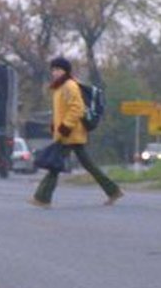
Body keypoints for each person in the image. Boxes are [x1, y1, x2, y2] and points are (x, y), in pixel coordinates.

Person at [30, 57, 123, 208]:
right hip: (67, 133)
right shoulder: (59, 87)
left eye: (58, 69)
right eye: (53, 70)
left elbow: (77, 108)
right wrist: (55, 125)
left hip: (70, 133)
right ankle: (113, 191)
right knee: (88, 165)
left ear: (65, 71)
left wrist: (65, 126)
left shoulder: (69, 85)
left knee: (54, 165)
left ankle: (42, 198)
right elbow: (61, 111)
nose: (55, 73)